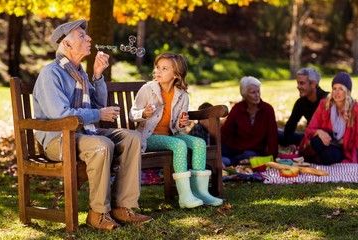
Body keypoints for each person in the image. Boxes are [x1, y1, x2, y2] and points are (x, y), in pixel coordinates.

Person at [32, 20, 152, 230]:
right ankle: (98, 213)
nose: (88, 38)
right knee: (101, 144)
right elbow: (60, 115)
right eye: (81, 36)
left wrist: (97, 76)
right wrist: (98, 113)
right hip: (57, 139)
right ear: (67, 44)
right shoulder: (51, 73)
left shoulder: (80, 73)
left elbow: (97, 105)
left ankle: (123, 207)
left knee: (132, 138)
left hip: (84, 133)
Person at [129, 53, 223, 208]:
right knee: (179, 146)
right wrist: (144, 113)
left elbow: (179, 127)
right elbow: (133, 114)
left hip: (171, 135)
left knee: (199, 143)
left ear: (176, 74)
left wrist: (182, 123)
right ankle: (185, 197)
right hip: (149, 136)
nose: (158, 71)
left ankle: (201, 193)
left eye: (164, 69)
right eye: (157, 67)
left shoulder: (182, 95)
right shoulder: (147, 89)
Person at [299, 72, 358, 165]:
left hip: (341, 148)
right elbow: (309, 129)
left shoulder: (354, 109)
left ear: (347, 92)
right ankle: (305, 157)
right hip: (323, 142)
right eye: (334, 88)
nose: (337, 92)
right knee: (318, 141)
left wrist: (344, 142)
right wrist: (319, 132)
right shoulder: (324, 104)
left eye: (341, 89)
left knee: (328, 155)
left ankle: (310, 159)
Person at [221, 76, 278, 167]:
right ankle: (229, 161)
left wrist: (273, 159)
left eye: (258, 91)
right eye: (253, 92)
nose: (257, 95)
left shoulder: (267, 109)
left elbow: (272, 136)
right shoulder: (237, 109)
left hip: (254, 151)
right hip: (235, 149)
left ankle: (230, 162)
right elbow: (225, 132)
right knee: (221, 150)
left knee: (249, 155)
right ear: (244, 94)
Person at [279, 68, 329, 150]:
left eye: (302, 83)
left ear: (313, 84)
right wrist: (290, 143)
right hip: (309, 136)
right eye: (297, 83)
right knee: (276, 133)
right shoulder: (301, 102)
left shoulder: (328, 100)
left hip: (325, 140)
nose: (298, 87)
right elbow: (290, 126)